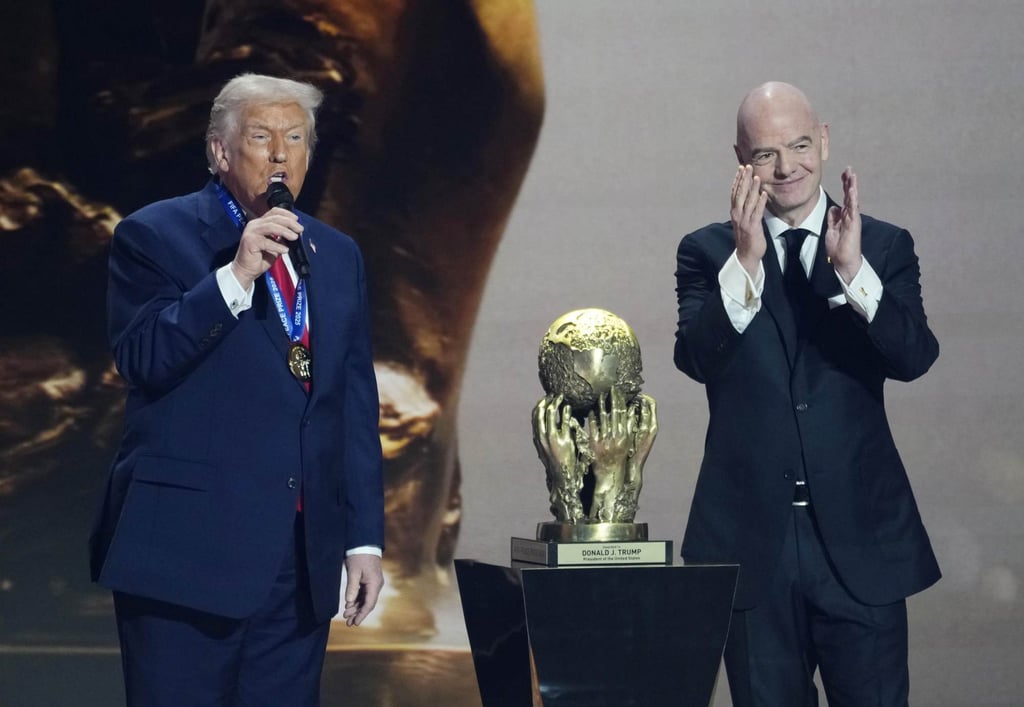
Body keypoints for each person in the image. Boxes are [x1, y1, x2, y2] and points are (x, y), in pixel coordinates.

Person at [89, 73, 385, 705]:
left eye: (296, 138)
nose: (281, 153)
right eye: (261, 136)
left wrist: (363, 538)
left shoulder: (337, 255)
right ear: (220, 152)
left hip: (299, 563)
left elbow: (352, 404)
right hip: (186, 554)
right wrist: (236, 275)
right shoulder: (153, 235)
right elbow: (142, 357)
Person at [674, 81, 940, 706]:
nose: (787, 167)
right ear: (741, 159)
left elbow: (914, 357)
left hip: (859, 544)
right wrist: (746, 261)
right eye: (766, 153)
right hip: (751, 544)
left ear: (823, 141)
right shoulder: (707, 252)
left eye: (799, 145)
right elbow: (696, 357)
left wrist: (853, 274)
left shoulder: (882, 245)